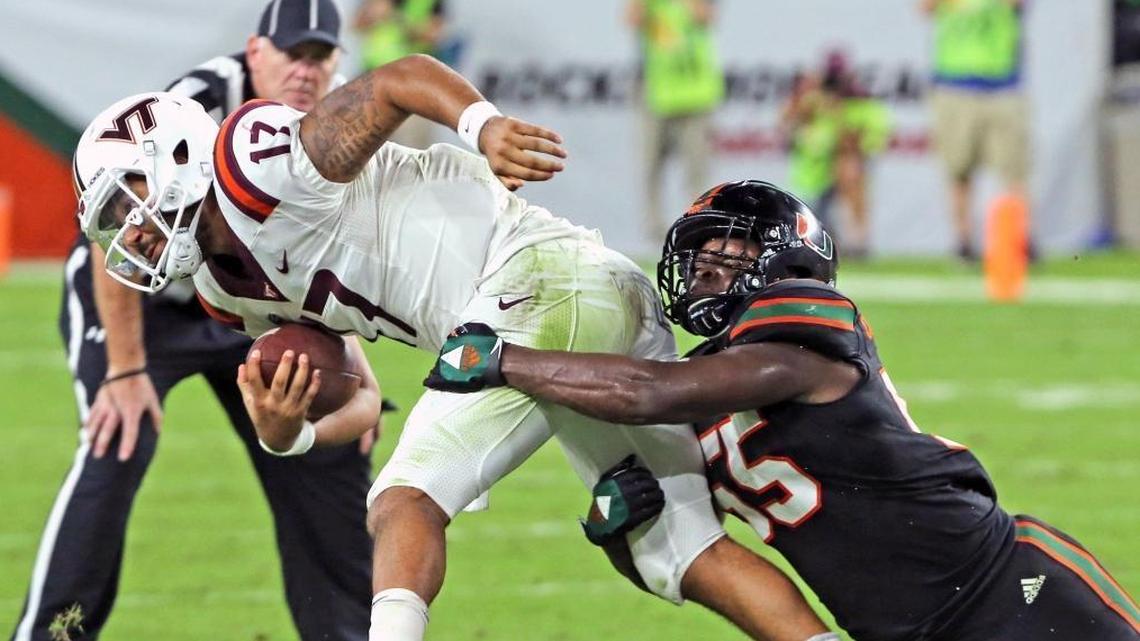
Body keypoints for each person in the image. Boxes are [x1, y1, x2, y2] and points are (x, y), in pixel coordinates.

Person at [71, 56, 842, 641]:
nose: (130, 232)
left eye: (129, 200)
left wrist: (483, 127)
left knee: (403, 500)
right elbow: (360, 396)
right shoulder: (223, 287)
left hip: (537, 282)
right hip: (575, 299)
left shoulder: (252, 165)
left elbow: (396, 81)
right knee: (679, 550)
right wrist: (288, 433)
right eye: (113, 220)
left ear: (178, 159)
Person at [424, 180, 1140, 641]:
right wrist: (618, 531)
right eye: (700, 255)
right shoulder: (702, 386)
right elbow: (682, 557)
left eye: (731, 250)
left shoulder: (803, 322)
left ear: (790, 262)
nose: (707, 266)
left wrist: (504, 359)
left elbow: (647, 391)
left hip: (1007, 590)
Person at [11, 2, 377, 641]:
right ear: (255, 51)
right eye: (292, 53)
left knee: (327, 444)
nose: (305, 70)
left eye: (320, 56)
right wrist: (125, 370)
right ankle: (50, 635)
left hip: (245, 303)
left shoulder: (332, 125)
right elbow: (117, 227)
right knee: (120, 436)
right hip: (141, 292)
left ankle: (348, 633)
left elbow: (318, 254)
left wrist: (347, 364)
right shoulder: (195, 106)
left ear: (338, 61)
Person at [922, 0, 1030, 261]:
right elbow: (925, 7)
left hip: (1002, 84)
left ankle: (1017, 240)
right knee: (959, 169)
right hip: (956, 83)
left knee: (1012, 170)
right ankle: (964, 241)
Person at [626, 0, 725, 242]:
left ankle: (696, 227)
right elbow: (632, 18)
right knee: (651, 167)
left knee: (696, 170)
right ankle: (655, 233)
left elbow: (706, 16)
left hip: (697, 96)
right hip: (658, 95)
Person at [781, 51, 890, 259]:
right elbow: (788, 121)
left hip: (839, 163)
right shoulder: (813, 100)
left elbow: (862, 141)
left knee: (850, 172)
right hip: (814, 171)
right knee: (812, 210)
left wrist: (837, 112)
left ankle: (857, 240)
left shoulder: (858, 104)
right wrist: (808, 96)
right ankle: (829, 240)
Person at [353, 0, 448, 148]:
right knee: (358, 144)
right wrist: (373, 14)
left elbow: (433, 35)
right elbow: (356, 24)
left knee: (411, 148)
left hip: (412, 87)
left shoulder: (428, 3)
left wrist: (398, 19)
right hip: (371, 80)